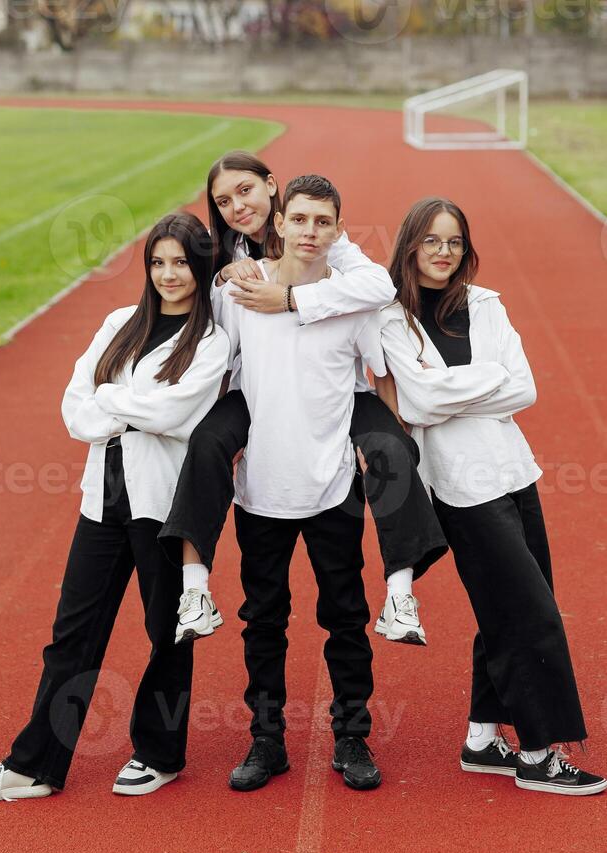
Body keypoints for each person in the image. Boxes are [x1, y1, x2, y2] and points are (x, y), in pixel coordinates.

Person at [0, 213, 230, 803]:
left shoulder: (212, 342)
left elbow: (174, 414)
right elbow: (76, 407)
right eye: (157, 263)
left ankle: (159, 752)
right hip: (103, 499)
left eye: (181, 262)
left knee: (167, 632)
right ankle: (36, 764)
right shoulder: (118, 324)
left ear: (201, 266)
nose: (168, 274)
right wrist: (127, 402)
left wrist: (114, 398)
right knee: (72, 634)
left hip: (163, 504)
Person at [160, 152, 447, 647]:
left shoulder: (324, 242)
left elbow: (378, 287)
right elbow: (218, 348)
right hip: (259, 392)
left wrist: (291, 300)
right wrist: (230, 277)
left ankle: (400, 595)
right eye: (223, 200)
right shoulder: (231, 257)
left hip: (335, 389)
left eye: (244, 190)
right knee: (208, 441)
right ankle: (194, 589)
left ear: (272, 187)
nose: (235, 206)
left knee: (390, 449)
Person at [377, 196, 606, 796]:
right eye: (431, 241)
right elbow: (417, 404)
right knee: (530, 613)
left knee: (513, 605)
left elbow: (522, 387)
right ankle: (536, 754)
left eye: (453, 241)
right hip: (460, 487)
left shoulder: (486, 305)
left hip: (514, 472)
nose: (443, 252)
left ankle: (482, 739)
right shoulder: (388, 320)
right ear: (409, 246)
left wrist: (441, 391)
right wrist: (481, 381)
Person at [216, 174, 395, 792]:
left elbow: (382, 377)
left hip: (332, 486)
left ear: (338, 230)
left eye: (323, 223)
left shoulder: (351, 299)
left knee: (345, 616)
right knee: (263, 618)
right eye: (300, 220)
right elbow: (222, 377)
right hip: (261, 486)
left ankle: (352, 736)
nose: (310, 233)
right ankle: (267, 742)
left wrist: (386, 448)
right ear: (281, 223)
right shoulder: (241, 291)